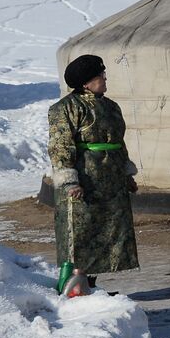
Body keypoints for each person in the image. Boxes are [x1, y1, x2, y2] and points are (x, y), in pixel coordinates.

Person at [47, 54, 139, 289]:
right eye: (101, 75)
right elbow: (60, 146)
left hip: (110, 179)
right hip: (84, 179)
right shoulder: (65, 108)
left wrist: (126, 174)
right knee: (82, 232)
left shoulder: (110, 106)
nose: (105, 79)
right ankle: (76, 284)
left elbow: (119, 141)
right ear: (86, 82)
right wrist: (69, 181)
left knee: (107, 230)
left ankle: (91, 284)